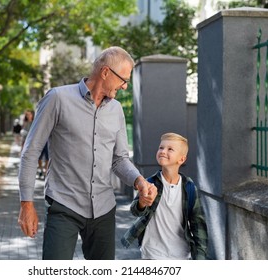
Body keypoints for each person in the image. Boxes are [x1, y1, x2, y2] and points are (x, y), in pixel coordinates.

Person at [18, 46, 157, 260]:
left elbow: (119, 159)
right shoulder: (58, 98)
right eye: (123, 79)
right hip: (64, 205)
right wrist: (26, 204)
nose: (125, 86)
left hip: (103, 209)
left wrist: (139, 181)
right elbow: (31, 151)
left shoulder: (116, 110)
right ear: (105, 72)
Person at [121, 132, 208, 260]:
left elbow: (198, 225)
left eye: (170, 149)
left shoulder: (189, 188)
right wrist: (142, 203)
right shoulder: (149, 183)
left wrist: (200, 258)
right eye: (161, 147)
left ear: (181, 159)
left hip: (181, 254)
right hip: (152, 253)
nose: (163, 151)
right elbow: (135, 211)